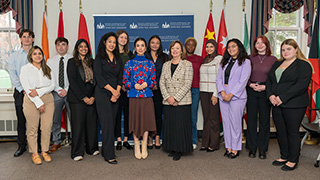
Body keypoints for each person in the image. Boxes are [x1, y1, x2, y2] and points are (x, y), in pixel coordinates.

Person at [266, 39, 312, 171]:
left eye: (288, 49)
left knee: (292, 132)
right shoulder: (277, 64)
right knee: (281, 131)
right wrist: (270, 95)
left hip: (295, 104)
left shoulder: (303, 65)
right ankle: (284, 156)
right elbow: (269, 81)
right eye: (283, 50)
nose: (285, 52)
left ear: (296, 49)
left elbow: (301, 86)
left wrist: (282, 97)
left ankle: (293, 159)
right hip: (276, 103)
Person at [216, 38, 251, 159]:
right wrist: (222, 92)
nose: (231, 49)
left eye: (233, 46)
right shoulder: (225, 61)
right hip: (223, 96)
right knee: (226, 123)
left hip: (237, 97)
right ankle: (228, 147)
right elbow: (219, 79)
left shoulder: (245, 62)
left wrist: (230, 94)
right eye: (229, 47)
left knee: (235, 123)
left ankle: (235, 148)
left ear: (239, 47)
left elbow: (243, 81)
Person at [20, 46, 55, 165]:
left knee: (46, 127)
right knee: (32, 128)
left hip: (48, 99)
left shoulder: (47, 69)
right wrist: (39, 103)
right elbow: (27, 88)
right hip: (31, 100)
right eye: (35, 54)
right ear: (30, 56)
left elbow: (53, 85)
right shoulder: (25, 69)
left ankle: (44, 151)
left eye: (40, 53)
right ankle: (34, 153)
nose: (38, 56)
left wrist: (39, 92)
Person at [123, 37, 156, 160]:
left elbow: (153, 80)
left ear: (145, 48)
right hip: (133, 96)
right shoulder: (129, 63)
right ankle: (137, 144)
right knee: (135, 120)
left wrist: (148, 84)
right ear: (135, 48)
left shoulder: (150, 63)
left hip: (147, 96)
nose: (140, 48)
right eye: (138, 45)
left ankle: (144, 145)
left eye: (142, 45)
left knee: (146, 120)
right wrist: (133, 85)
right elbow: (125, 81)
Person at [160, 40, 193, 161]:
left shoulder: (187, 64)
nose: (175, 50)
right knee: (171, 126)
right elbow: (161, 82)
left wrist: (176, 98)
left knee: (180, 126)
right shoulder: (166, 65)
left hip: (182, 101)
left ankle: (179, 149)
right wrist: (168, 97)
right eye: (172, 48)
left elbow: (187, 84)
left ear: (181, 51)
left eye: (177, 48)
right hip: (168, 100)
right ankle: (172, 147)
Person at [67, 39, 99, 161]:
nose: (83, 48)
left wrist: (93, 97)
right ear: (77, 48)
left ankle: (92, 148)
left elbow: (97, 80)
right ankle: (77, 152)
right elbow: (73, 82)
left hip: (92, 97)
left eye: (85, 46)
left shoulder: (93, 62)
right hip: (77, 98)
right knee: (78, 125)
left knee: (91, 125)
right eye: (81, 46)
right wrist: (83, 97)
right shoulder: (72, 62)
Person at [246, 35, 277, 159]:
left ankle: (263, 149)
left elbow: (275, 78)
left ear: (267, 45)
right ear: (254, 45)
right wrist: (250, 84)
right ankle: (252, 148)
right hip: (251, 89)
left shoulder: (273, 59)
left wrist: (266, 88)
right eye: (257, 43)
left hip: (266, 91)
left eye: (262, 43)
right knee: (251, 120)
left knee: (264, 121)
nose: (259, 45)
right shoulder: (249, 58)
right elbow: (244, 75)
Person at [94, 32, 122, 164]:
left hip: (115, 94)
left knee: (112, 123)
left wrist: (117, 92)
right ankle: (109, 155)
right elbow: (99, 78)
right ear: (104, 42)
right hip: (102, 93)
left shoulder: (117, 57)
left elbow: (120, 77)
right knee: (107, 124)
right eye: (110, 41)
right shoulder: (99, 58)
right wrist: (112, 91)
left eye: (114, 42)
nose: (112, 44)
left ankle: (106, 150)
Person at [7, 29, 35, 157]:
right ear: (21, 39)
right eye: (24, 36)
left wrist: (33, 89)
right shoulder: (14, 56)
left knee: (36, 120)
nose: (27, 39)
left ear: (33, 39)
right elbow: (13, 75)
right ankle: (21, 146)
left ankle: (36, 146)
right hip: (20, 92)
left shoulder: (39, 54)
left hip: (35, 91)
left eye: (29, 36)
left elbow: (41, 72)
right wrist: (22, 88)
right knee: (21, 120)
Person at [47, 37, 73, 153]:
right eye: (59, 45)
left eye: (63, 44)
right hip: (56, 92)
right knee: (55, 118)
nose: (61, 47)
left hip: (71, 92)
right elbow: (49, 78)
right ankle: (56, 141)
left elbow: (74, 78)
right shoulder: (49, 61)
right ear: (55, 47)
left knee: (74, 118)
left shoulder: (73, 59)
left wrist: (66, 89)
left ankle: (75, 140)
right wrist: (58, 89)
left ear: (67, 46)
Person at [199, 39, 222, 152]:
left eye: (211, 47)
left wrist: (215, 94)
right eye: (207, 47)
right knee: (206, 118)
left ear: (215, 47)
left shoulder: (219, 59)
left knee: (213, 118)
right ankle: (205, 143)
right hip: (203, 91)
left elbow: (219, 78)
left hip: (213, 92)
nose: (209, 49)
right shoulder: (204, 60)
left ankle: (214, 143)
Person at [146, 35, 168, 149]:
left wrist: (157, 84)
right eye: (152, 42)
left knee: (158, 114)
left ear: (160, 45)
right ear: (149, 44)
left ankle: (158, 136)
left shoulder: (164, 57)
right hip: (146, 90)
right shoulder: (144, 56)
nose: (154, 45)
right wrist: (150, 84)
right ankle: (150, 137)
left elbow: (167, 74)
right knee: (148, 115)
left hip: (160, 90)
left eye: (157, 43)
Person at [114, 30, 133, 151]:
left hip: (127, 89)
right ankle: (118, 140)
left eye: (125, 38)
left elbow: (133, 72)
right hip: (115, 89)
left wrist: (127, 84)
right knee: (116, 115)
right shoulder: (111, 53)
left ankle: (126, 139)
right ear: (117, 38)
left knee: (128, 114)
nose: (123, 40)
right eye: (121, 37)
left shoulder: (129, 54)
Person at [185, 37, 203, 149]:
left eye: (193, 45)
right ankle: (183, 139)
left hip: (195, 90)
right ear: (185, 46)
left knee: (192, 116)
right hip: (182, 90)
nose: (190, 47)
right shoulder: (181, 58)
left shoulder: (200, 59)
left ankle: (193, 140)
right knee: (182, 116)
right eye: (188, 44)